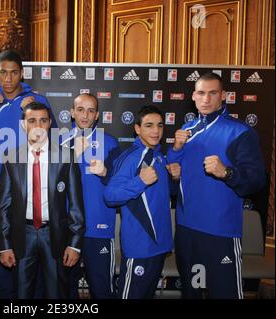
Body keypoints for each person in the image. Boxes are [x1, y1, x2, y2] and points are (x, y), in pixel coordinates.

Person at [166, 72, 266, 299]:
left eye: (213, 93)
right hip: (187, 231)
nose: (206, 99)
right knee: (191, 292)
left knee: (224, 294)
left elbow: (257, 180)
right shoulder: (186, 131)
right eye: (201, 93)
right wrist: (175, 161)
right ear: (193, 96)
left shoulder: (240, 132)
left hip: (220, 233)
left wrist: (227, 172)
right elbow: (174, 183)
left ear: (223, 96)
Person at [0, 49, 55, 298]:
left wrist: (33, 115)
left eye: (14, 72)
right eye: (3, 72)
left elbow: (54, 146)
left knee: (35, 266)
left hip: (31, 194)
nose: (8, 79)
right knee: (4, 261)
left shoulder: (36, 101)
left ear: (22, 73)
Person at [0, 102, 85, 298]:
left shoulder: (66, 156)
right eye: (32, 121)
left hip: (55, 235)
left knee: (57, 294)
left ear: (50, 123)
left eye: (43, 120)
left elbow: (76, 205)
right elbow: (3, 206)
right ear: (23, 125)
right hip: (22, 235)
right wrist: (5, 245)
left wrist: (74, 243)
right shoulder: (10, 157)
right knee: (21, 294)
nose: (38, 126)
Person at [104, 105, 174, 299]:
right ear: (137, 129)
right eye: (149, 125)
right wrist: (140, 181)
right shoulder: (132, 157)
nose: (156, 131)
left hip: (159, 246)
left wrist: (174, 178)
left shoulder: (159, 156)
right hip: (140, 247)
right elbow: (110, 196)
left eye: (159, 126)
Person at [60, 93, 121, 299]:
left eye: (91, 110)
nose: (85, 115)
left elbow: (120, 186)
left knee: (102, 289)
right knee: (65, 289)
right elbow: (49, 183)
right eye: (80, 109)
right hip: (67, 228)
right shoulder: (59, 142)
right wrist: (71, 156)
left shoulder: (110, 143)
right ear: (71, 112)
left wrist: (106, 173)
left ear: (97, 115)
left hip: (98, 228)